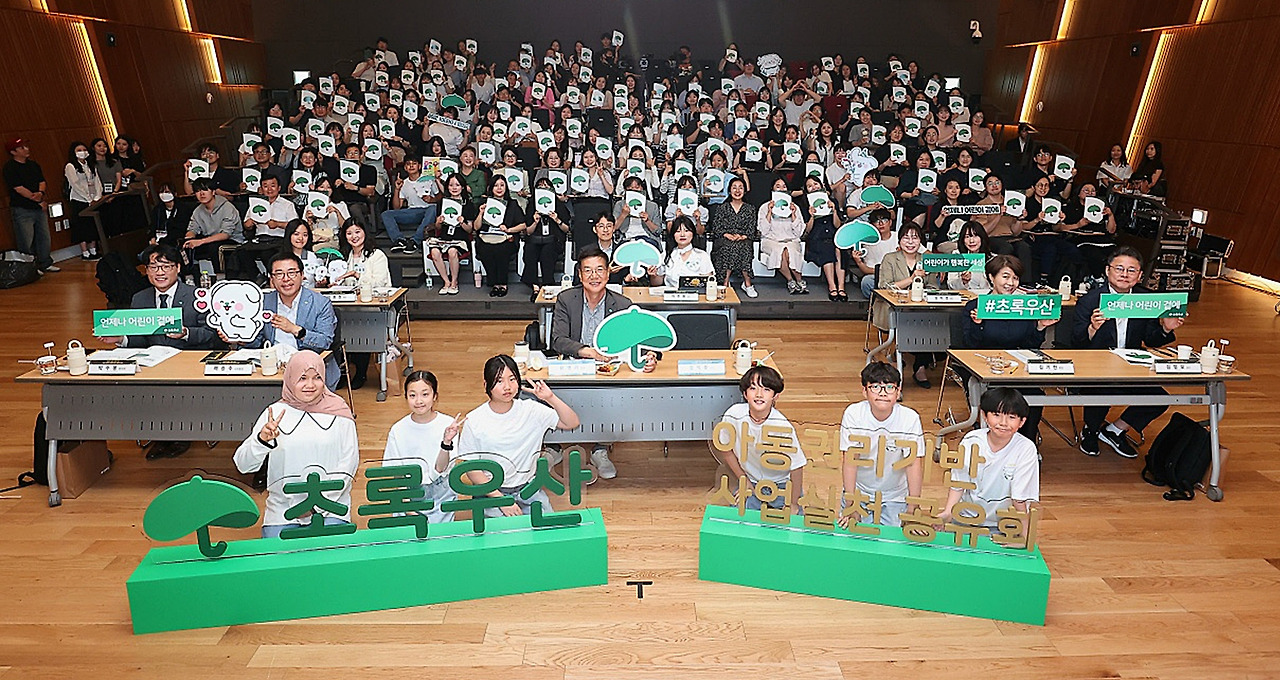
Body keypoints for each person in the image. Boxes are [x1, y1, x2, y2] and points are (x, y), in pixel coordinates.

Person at [549, 247, 659, 478]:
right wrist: (588, 352)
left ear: (608, 274)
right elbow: (557, 340)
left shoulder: (622, 304)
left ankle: (601, 448)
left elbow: (643, 341)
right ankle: (554, 446)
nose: (594, 276)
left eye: (599, 270)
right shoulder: (566, 299)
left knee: (614, 397)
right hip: (575, 364)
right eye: (588, 271)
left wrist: (650, 357)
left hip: (610, 369)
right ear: (579, 275)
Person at [100, 244, 217, 458]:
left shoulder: (197, 296)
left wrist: (186, 333)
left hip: (190, 361)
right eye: (153, 267)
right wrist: (121, 339)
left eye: (165, 266)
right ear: (146, 271)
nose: (159, 273)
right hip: (153, 362)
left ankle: (177, 435)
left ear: (178, 268)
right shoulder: (140, 299)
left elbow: (211, 334)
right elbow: (140, 338)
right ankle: (160, 431)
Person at [1072, 246, 1184, 458]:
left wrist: (1165, 328)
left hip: (1132, 364)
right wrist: (1092, 329)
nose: (1125, 274)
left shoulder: (1146, 300)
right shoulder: (1090, 300)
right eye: (1119, 268)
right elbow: (1076, 342)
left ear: (1140, 275)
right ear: (1108, 271)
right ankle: (1091, 430)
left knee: (1159, 398)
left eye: (1131, 270)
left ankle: (1114, 430)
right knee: (1103, 388)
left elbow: (1151, 339)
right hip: (1096, 363)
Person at [234, 350, 358, 538]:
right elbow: (243, 465)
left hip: (331, 508)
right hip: (282, 510)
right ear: (290, 379)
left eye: (317, 378)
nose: (310, 385)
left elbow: (348, 465)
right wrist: (261, 441)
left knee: (330, 554)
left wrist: (314, 505)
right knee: (279, 555)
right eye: (302, 378)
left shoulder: (340, 412)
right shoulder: (274, 413)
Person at [455, 354, 581, 514]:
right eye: (499, 381)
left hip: (528, 488)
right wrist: (500, 500)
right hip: (491, 491)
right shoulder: (474, 420)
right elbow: (471, 469)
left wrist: (550, 398)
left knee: (547, 527)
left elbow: (572, 422)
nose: (507, 387)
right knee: (504, 529)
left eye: (512, 379)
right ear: (486, 385)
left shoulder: (531, 410)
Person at [962, 255, 1056, 441]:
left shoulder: (1025, 306)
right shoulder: (975, 306)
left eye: (1015, 278)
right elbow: (969, 346)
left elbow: (1030, 345)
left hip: (1017, 369)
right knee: (999, 399)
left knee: (1035, 396)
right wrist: (978, 325)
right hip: (986, 370)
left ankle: (1027, 443)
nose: (1010, 283)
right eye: (1005, 277)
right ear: (991, 277)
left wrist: (1040, 326)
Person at [235, 252, 341, 388]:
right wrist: (242, 339)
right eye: (279, 274)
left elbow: (324, 342)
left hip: (309, 369)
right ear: (272, 279)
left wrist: (296, 330)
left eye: (291, 273)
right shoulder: (263, 303)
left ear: (302, 275)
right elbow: (257, 341)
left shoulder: (321, 303)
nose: (286, 279)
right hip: (270, 368)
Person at [837, 361, 924, 527]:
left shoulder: (910, 418)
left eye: (890, 387)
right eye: (875, 387)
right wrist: (851, 503)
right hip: (859, 492)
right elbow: (850, 461)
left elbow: (913, 464)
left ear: (898, 391)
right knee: (850, 534)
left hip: (895, 496)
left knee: (891, 539)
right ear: (864, 391)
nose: (883, 393)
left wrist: (913, 507)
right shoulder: (853, 414)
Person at [940, 387, 1039, 530]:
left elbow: (1019, 498)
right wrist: (948, 513)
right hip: (966, 519)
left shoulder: (1026, 449)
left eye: (1011, 417)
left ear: (1022, 422)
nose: (1003, 423)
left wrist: (1024, 534)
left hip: (1005, 525)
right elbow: (959, 482)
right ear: (984, 416)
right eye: (996, 415)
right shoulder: (971, 441)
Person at [712, 365, 806, 513]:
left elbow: (797, 466)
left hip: (781, 484)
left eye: (766, 389)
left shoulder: (782, 426)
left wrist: (793, 503)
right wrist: (743, 480)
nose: (759, 394)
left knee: (794, 522)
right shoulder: (733, 415)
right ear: (745, 393)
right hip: (752, 481)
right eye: (753, 388)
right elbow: (726, 449)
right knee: (739, 518)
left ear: (776, 396)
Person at [382, 370, 461, 524]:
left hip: (440, 492)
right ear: (406, 397)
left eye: (425, 394)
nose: (419, 401)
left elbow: (441, 468)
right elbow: (395, 473)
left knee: (439, 535)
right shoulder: (398, 429)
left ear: (435, 396)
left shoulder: (448, 425)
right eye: (412, 395)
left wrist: (446, 442)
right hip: (407, 492)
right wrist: (407, 507)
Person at [875, 223, 941, 388]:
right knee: (916, 322)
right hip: (892, 307)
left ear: (920, 241)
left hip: (921, 307)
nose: (910, 242)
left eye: (915, 238)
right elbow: (884, 287)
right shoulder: (890, 258)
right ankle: (914, 362)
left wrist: (923, 292)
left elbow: (933, 287)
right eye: (906, 237)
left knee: (929, 322)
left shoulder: (926, 260)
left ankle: (920, 365)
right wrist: (911, 279)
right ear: (899, 240)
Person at [332, 218, 390, 388]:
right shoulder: (343, 256)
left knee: (360, 325)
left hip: (371, 306)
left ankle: (361, 371)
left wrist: (357, 275)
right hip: (347, 306)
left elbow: (379, 282)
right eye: (349, 233)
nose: (354, 236)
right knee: (334, 324)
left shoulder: (377, 255)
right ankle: (341, 371)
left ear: (365, 232)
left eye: (357, 231)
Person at [3, 138, 57, 273]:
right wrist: (36, 199)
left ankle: (45, 262)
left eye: (26, 146)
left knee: (44, 237)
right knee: (25, 240)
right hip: (22, 208)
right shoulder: (10, 167)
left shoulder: (33, 165)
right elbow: (18, 188)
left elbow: (42, 181)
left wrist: (40, 193)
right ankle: (30, 268)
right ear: (13, 152)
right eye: (22, 148)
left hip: (39, 207)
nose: (26, 149)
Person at [473, 174, 527, 297]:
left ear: (506, 187)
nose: (499, 188)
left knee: (501, 250)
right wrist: (481, 213)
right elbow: (476, 227)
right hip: (486, 237)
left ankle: (502, 284)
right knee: (485, 249)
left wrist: (509, 230)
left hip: (506, 238)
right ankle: (494, 284)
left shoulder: (512, 204)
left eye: (502, 185)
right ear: (491, 188)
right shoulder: (485, 203)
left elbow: (523, 225)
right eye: (496, 185)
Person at [239, 175, 299, 281]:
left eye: (273, 185)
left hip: (279, 240)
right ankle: (257, 277)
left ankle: (275, 280)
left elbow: (295, 225)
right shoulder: (255, 204)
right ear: (261, 189)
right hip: (260, 240)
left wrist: (278, 224)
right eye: (265, 186)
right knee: (241, 252)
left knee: (267, 254)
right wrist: (250, 223)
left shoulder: (287, 205)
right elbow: (246, 225)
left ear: (279, 188)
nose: (269, 189)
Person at [427, 173, 479, 295]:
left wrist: (462, 223)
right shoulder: (442, 203)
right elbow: (438, 228)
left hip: (460, 239)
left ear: (462, 187)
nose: (454, 188)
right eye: (451, 185)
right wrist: (438, 222)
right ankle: (446, 281)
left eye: (457, 185)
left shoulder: (468, 204)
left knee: (452, 251)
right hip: (444, 238)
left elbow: (470, 230)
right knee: (434, 252)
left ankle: (454, 282)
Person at [521, 176, 571, 300]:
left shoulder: (559, 206)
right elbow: (528, 231)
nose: (544, 189)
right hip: (535, 239)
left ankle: (547, 284)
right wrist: (535, 222)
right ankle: (535, 286)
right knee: (530, 250)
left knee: (547, 251)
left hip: (554, 240)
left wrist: (557, 220)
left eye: (547, 187)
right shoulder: (531, 205)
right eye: (540, 187)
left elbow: (567, 229)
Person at [183, 177, 245, 277]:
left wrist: (201, 241)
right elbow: (193, 228)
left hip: (232, 240)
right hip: (209, 240)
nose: (201, 194)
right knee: (185, 246)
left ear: (213, 192)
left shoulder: (227, 207)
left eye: (205, 190)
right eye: (198, 191)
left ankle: (220, 277)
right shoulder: (198, 210)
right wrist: (188, 239)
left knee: (213, 247)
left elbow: (225, 234)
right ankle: (192, 277)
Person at [708, 176, 759, 297]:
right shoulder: (722, 207)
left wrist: (743, 236)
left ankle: (747, 284)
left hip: (744, 238)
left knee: (744, 246)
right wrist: (727, 235)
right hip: (725, 238)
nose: (737, 191)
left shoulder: (750, 208)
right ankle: (725, 283)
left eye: (740, 188)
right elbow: (716, 227)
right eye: (734, 188)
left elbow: (752, 228)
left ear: (744, 191)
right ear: (729, 191)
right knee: (728, 246)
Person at [759, 176, 809, 294]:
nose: (781, 189)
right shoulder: (765, 207)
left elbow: (799, 232)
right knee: (780, 250)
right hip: (771, 240)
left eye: (784, 186)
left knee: (789, 250)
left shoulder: (794, 207)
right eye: (778, 186)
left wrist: (793, 214)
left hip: (791, 240)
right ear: (772, 189)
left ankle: (798, 280)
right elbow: (763, 231)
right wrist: (769, 212)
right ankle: (791, 280)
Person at [384, 157, 439, 256]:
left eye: (414, 163)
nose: (411, 166)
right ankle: (399, 240)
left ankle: (415, 241)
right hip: (412, 212)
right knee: (386, 214)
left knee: (433, 208)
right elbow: (397, 207)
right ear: (405, 168)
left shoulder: (429, 179)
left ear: (419, 166)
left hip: (428, 210)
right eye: (408, 164)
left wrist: (432, 199)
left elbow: (440, 196)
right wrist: (397, 189)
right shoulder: (404, 183)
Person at [63, 141, 103, 261]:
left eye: (84, 150)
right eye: (79, 150)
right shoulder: (70, 166)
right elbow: (75, 184)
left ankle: (93, 250)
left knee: (93, 225)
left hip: (93, 199)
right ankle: (85, 252)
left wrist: (97, 197)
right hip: (79, 200)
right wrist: (88, 198)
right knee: (81, 226)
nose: (82, 152)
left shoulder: (90, 164)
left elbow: (97, 181)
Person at [851, 208, 898, 298]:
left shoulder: (899, 237)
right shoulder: (868, 243)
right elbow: (867, 270)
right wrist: (858, 262)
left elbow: (924, 252)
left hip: (900, 274)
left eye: (884, 220)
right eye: (876, 221)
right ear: (872, 225)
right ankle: (881, 300)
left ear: (890, 222)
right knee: (866, 281)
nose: (881, 223)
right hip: (879, 276)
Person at [654, 216, 714, 287]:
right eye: (678, 231)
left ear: (693, 233)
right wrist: (653, 275)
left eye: (686, 231)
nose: (682, 234)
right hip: (671, 292)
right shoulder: (665, 256)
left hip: (695, 292)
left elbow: (709, 282)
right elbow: (656, 283)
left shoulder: (702, 255)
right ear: (673, 234)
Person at [947, 221, 993, 292]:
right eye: (967, 237)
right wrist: (963, 281)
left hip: (985, 296)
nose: (971, 241)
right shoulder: (957, 255)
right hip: (965, 295)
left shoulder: (992, 259)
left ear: (982, 237)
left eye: (975, 236)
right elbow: (950, 285)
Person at [283, 219, 326, 288]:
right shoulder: (280, 258)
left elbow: (315, 283)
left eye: (305, 235)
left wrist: (320, 283)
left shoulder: (311, 256)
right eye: (296, 234)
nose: (300, 238)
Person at [149, 183, 189, 248]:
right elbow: (153, 226)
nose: (164, 194)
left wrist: (163, 242)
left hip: (173, 242)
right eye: (161, 192)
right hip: (157, 241)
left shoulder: (182, 208)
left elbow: (180, 230)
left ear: (174, 194)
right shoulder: (157, 209)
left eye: (167, 192)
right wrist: (152, 238)